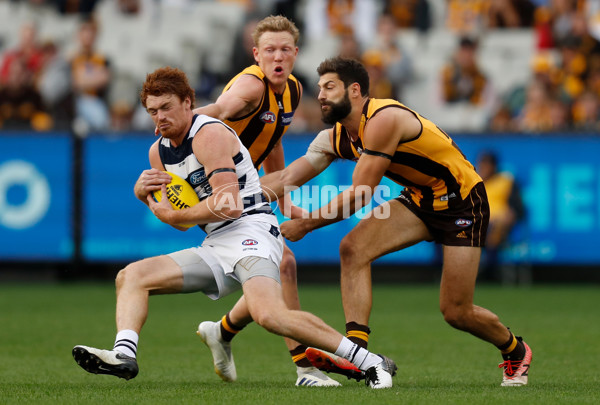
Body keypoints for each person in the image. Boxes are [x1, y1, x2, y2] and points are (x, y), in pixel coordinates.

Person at [71, 66, 396, 389]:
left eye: (166, 107)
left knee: (269, 315)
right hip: (217, 242)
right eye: (153, 111)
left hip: (252, 231)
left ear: (188, 102)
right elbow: (182, 219)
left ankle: (369, 362)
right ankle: (124, 356)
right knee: (131, 277)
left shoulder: (209, 134)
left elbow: (229, 204)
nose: (160, 118)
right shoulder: (158, 151)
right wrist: (146, 198)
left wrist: (171, 216)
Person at [259, 57, 533, 387]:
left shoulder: (383, 119)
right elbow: (288, 176)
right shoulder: (336, 136)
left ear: (355, 90)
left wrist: (306, 224)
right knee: (353, 248)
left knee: (456, 311)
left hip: (463, 202)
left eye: (329, 87)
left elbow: (361, 194)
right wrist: (232, 199)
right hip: (421, 198)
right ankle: (358, 352)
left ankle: (515, 350)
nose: (320, 95)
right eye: (319, 89)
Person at [185, 15, 338, 387]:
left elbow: (274, 139)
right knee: (283, 263)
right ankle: (306, 369)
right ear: (256, 54)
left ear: (296, 52)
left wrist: (284, 199)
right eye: (269, 50)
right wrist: (170, 126)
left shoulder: (294, 90)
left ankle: (222, 331)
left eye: (285, 49)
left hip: (247, 186)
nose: (278, 56)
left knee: (277, 268)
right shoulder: (251, 88)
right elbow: (218, 111)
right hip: (215, 187)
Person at [477, 151, 526, 281]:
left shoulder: (506, 182)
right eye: (481, 164)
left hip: (499, 224)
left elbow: (519, 209)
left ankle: (490, 271)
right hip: (477, 222)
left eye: (486, 165)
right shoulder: (474, 182)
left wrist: (510, 215)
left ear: (493, 166)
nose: (483, 168)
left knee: (496, 227)